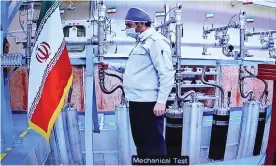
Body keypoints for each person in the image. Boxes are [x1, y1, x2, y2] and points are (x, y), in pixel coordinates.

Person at [99, 7, 175, 156]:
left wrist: (161, 101)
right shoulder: (141, 42)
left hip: (149, 103)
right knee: (141, 144)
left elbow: (166, 73)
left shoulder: (156, 42)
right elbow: (134, 68)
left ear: (140, 24)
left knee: (153, 146)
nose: (126, 29)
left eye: (129, 25)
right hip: (137, 102)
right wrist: (111, 66)